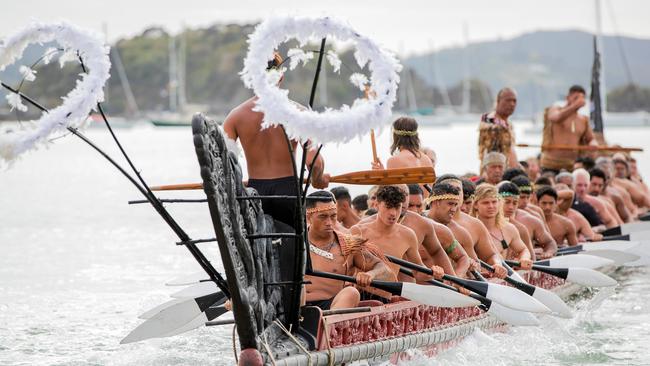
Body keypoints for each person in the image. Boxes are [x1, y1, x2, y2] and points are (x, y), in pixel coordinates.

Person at [223, 53, 329, 228]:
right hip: (288, 191)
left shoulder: (235, 116)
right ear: (281, 76)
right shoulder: (299, 113)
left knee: (258, 250)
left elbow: (225, 163)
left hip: (255, 192)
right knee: (293, 249)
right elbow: (314, 162)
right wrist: (318, 180)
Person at [303, 191, 393, 310]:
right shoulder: (293, 242)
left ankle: (326, 326)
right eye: (323, 217)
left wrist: (370, 274)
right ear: (308, 217)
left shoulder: (348, 245)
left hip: (330, 307)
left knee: (351, 292)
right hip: (293, 308)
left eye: (333, 216)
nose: (329, 223)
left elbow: (384, 269)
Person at [351, 186, 443, 283]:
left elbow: (418, 273)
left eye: (397, 207)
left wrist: (433, 273)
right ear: (377, 205)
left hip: (386, 296)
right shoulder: (358, 231)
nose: (393, 213)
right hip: (359, 293)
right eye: (388, 207)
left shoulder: (408, 235)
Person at [434, 175, 508, 278]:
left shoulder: (474, 225)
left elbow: (491, 255)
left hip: (463, 285)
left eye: (458, 190)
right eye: (448, 189)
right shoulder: (424, 220)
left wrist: (497, 264)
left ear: (462, 193)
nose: (454, 193)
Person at [472, 184, 533, 269]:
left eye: (494, 202)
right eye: (485, 203)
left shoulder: (509, 228)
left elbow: (523, 250)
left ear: (499, 203)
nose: (491, 206)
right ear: (475, 205)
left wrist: (524, 258)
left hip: (501, 277)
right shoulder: (469, 229)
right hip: (477, 278)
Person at [540, 85, 597, 173]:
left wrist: (593, 143)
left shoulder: (583, 119)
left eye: (581, 98)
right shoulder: (555, 109)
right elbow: (555, 118)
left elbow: (591, 138)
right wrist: (574, 106)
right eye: (576, 98)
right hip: (551, 164)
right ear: (568, 97)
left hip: (572, 165)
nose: (579, 101)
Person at [424, 183, 477, 277]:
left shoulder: (460, 232)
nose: (453, 209)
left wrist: (456, 280)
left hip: (446, 287)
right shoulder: (417, 222)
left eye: (455, 204)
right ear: (436, 202)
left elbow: (476, 270)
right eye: (450, 204)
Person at [372, 117, 434, 194]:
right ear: (416, 136)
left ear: (395, 136)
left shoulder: (394, 160)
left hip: (407, 204)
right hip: (424, 204)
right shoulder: (426, 159)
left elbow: (392, 193)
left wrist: (382, 176)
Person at [498, 182, 557, 259]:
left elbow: (548, 243)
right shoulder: (484, 223)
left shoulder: (522, 228)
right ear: (498, 201)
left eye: (515, 203)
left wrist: (548, 253)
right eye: (507, 202)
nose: (511, 207)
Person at [478, 87, 519, 168]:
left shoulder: (508, 124)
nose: (512, 104)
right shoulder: (490, 121)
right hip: (495, 172)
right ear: (498, 101)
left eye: (514, 101)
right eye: (508, 100)